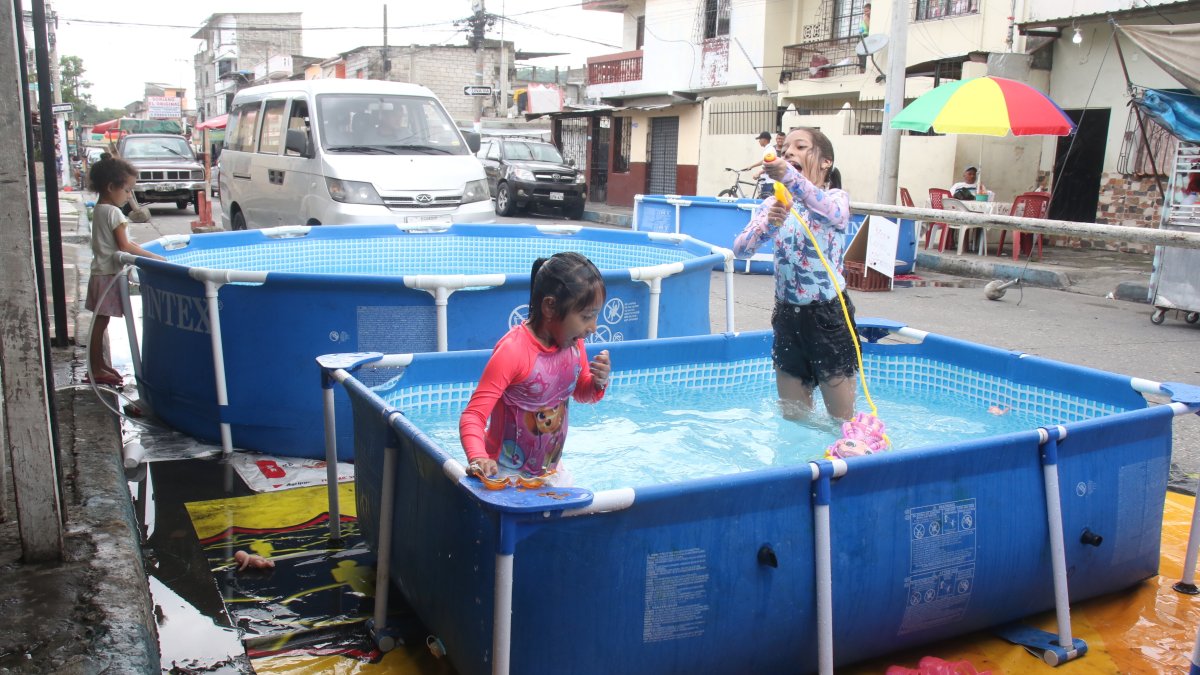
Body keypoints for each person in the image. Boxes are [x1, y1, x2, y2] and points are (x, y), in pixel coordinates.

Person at [732, 127, 857, 422]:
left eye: (800, 147)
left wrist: (788, 176)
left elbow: (834, 216)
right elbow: (740, 249)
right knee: (794, 419)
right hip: (787, 316)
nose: (788, 152)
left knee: (841, 422)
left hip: (828, 317)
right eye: (786, 148)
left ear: (826, 162)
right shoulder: (773, 204)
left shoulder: (836, 198)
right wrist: (769, 224)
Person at [459, 252, 612, 484]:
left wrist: (597, 382)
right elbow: (473, 415)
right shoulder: (513, 352)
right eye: (586, 316)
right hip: (503, 474)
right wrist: (479, 458)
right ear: (550, 307)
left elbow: (580, 392)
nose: (593, 327)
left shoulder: (574, 344)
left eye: (595, 316)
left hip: (550, 471)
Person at [85, 157, 165, 387]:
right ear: (111, 187)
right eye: (127, 190)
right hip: (108, 275)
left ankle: (98, 365)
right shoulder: (114, 214)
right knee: (100, 324)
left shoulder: (100, 209)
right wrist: (155, 258)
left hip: (99, 272)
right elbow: (125, 246)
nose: (129, 196)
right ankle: (96, 369)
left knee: (99, 323)